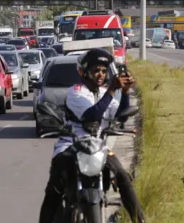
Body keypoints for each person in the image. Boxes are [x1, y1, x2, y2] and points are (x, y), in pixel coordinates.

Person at [39, 48, 145, 223]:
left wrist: (125, 92)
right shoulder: (76, 92)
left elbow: (119, 114)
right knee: (54, 188)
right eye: (96, 70)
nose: (100, 75)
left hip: (98, 147)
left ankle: (139, 219)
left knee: (123, 176)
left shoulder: (104, 93)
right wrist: (112, 89)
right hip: (71, 145)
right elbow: (91, 115)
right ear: (84, 72)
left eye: (103, 71)